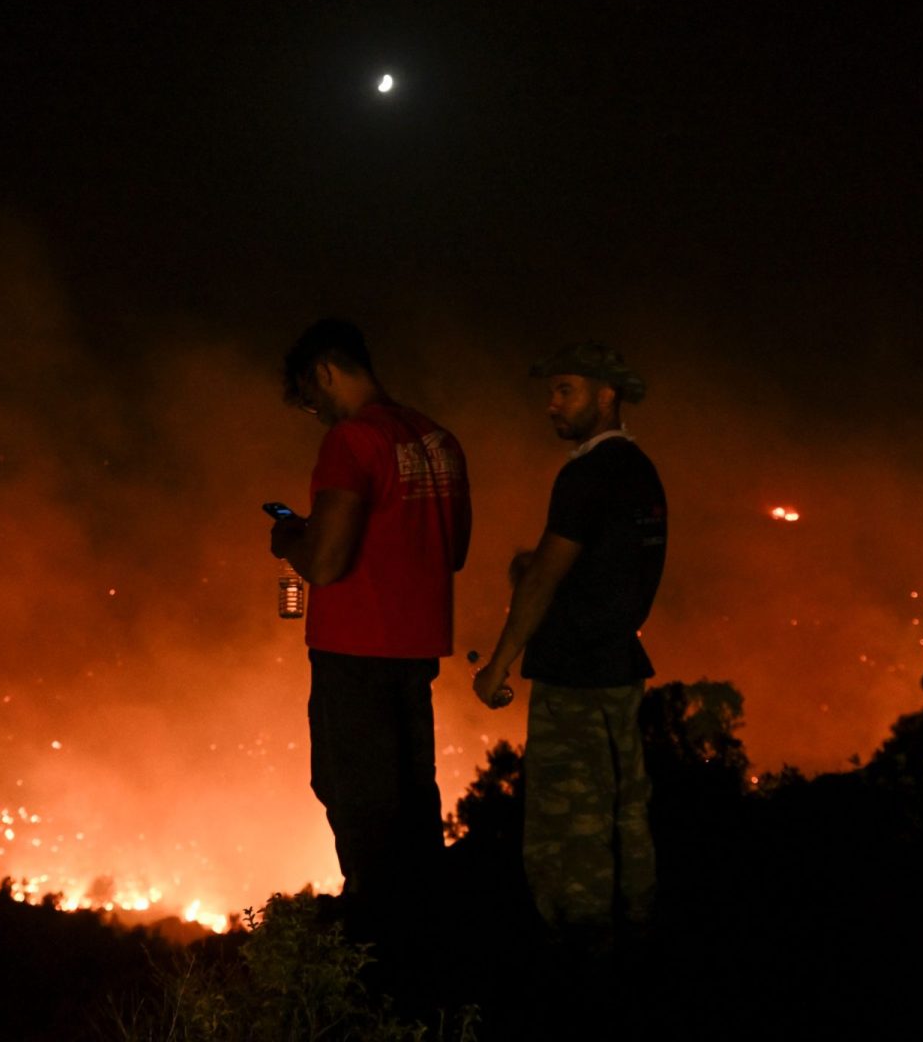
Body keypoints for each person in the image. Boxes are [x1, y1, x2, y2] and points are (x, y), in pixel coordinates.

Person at [269, 318, 471, 922]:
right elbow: (452, 551)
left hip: (354, 655)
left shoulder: (352, 442)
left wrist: (290, 540)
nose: (317, 413)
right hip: (415, 655)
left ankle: (380, 947)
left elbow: (326, 565)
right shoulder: (438, 441)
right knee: (413, 806)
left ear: (326, 372)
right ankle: (427, 936)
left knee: (359, 806)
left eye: (311, 398)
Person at [472, 342, 667, 935]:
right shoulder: (642, 473)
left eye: (566, 390)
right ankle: (638, 930)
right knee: (626, 814)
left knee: (570, 830)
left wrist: (498, 665)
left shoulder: (585, 474)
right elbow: (607, 566)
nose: (552, 404)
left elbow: (546, 578)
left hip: (575, 677)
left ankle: (581, 959)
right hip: (619, 669)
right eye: (550, 391)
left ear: (606, 396)